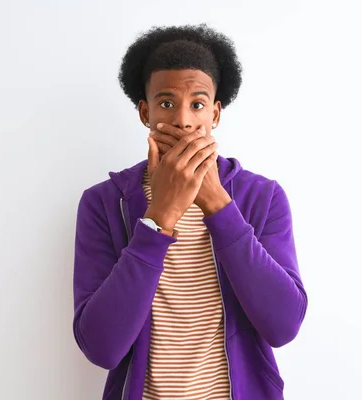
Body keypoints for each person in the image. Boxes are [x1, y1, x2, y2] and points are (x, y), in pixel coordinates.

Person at [72, 23, 308, 400]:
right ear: (145, 112)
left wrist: (217, 203)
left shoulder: (262, 198)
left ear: (215, 115)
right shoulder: (104, 203)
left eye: (197, 104)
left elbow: (283, 325)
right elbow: (101, 347)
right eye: (167, 103)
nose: (183, 120)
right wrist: (159, 215)